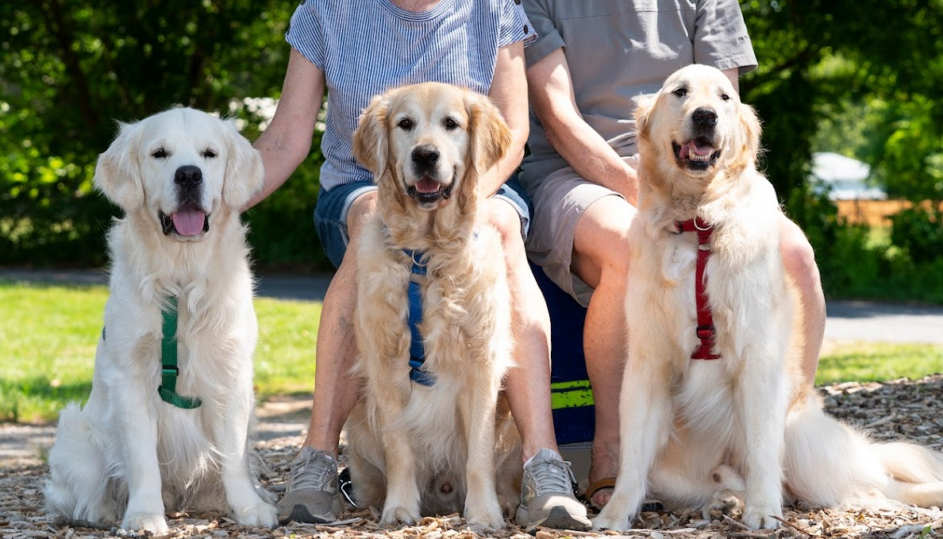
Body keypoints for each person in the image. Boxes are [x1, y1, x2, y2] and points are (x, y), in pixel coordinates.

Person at [247, 0, 590, 530]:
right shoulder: (326, 10)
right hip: (365, 187)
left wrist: (468, 198)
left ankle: (542, 462)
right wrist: (213, 201)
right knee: (370, 224)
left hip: (479, 186)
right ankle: (316, 458)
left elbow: (513, 132)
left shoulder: (494, 9)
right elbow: (286, 137)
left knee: (498, 228)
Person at [520, 0, 827, 509]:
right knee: (629, 246)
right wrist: (649, 198)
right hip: (575, 173)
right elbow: (557, 116)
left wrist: (700, 196)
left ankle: (779, 445)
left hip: (693, 174)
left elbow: (720, 112)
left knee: (794, 253)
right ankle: (612, 462)